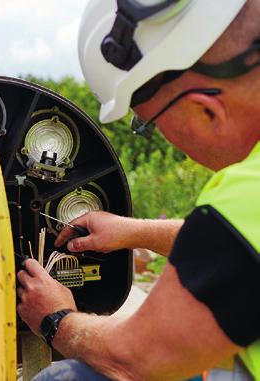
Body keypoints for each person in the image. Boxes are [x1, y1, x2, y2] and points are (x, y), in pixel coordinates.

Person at [16, 1, 260, 380]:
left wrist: (55, 318)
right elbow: (238, 252)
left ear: (206, 111)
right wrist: (132, 232)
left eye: (151, 124)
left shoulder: (248, 190)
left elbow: (135, 358)